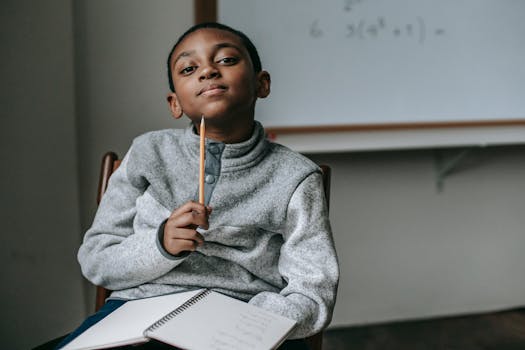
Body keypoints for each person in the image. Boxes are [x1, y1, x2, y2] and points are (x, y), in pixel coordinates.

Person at [55, 22, 339, 349]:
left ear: (262, 84)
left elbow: (312, 291)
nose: (207, 71)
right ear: (174, 103)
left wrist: (256, 320)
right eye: (190, 68)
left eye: (227, 60)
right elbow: (96, 260)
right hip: (138, 314)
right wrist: (159, 244)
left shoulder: (295, 177)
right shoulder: (148, 153)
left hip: (245, 319)